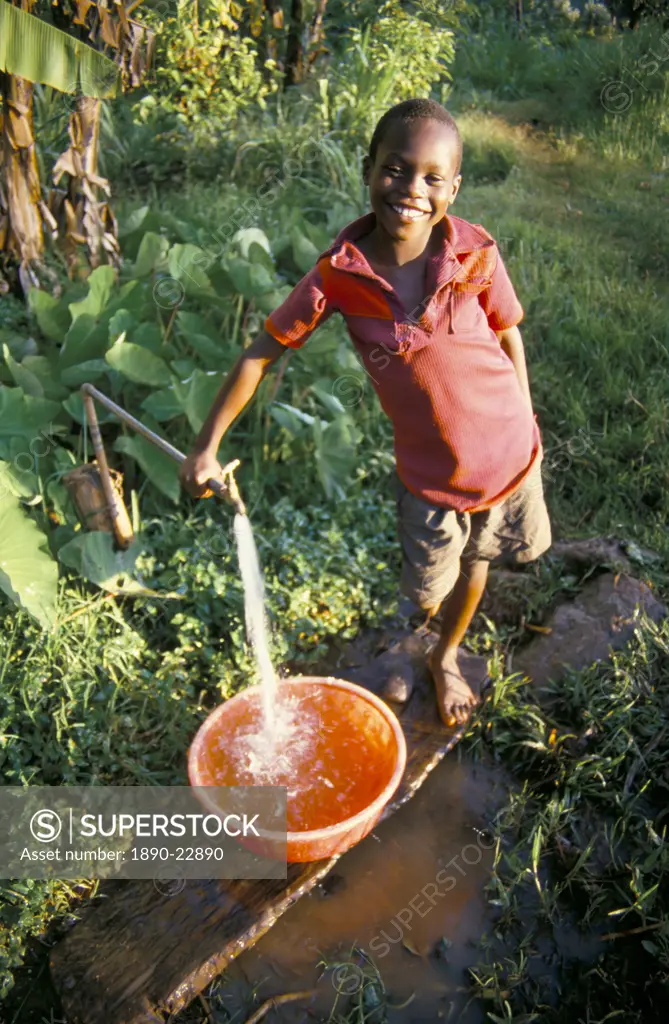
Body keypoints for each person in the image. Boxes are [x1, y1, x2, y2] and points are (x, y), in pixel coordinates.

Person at [179, 98, 552, 728]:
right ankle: (416, 643)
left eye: (433, 178)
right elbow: (261, 352)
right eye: (395, 169)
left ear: (453, 188)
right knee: (427, 587)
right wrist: (207, 445)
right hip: (431, 481)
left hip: (511, 460)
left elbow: (509, 332)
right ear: (368, 168)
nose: (411, 189)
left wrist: (525, 409)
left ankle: (447, 658)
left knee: (478, 568)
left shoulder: (475, 253)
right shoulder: (338, 278)